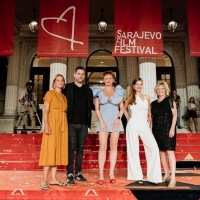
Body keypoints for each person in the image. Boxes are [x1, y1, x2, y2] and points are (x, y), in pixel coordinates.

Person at [124, 78, 162, 185]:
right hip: (133, 124)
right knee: (133, 149)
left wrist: (150, 117)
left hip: (144, 124)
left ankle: (154, 176)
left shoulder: (147, 97)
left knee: (154, 148)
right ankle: (136, 175)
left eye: (141, 84)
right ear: (133, 86)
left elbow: (149, 111)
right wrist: (128, 117)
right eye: (137, 84)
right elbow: (122, 107)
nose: (139, 86)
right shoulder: (130, 97)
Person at [63, 66, 94, 185]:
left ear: (84, 76)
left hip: (84, 124)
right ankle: (69, 173)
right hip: (71, 123)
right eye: (79, 73)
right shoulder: (68, 88)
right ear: (74, 74)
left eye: (82, 74)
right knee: (71, 148)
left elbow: (92, 105)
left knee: (80, 149)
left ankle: (78, 173)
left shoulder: (88, 91)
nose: (80, 76)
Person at [92, 71, 125, 185]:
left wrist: (118, 119)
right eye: (106, 78)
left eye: (110, 78)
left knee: (114, 147)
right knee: (102, 147)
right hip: (103, 122)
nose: (108, 80)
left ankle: (111, 173)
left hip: (115, 123)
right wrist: (101, 121)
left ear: (113, 80)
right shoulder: (98, 91)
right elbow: (97, 108)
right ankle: (101, 174)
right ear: (103, 80)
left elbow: (122, 108)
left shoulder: (119, 91)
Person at [39, 74, 68, 190]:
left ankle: (54, 179)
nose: (60, 82)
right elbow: (46, 111)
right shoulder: (49, 93)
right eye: (58, 80)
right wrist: (46, 125)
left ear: (63, 83)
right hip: (52, 123)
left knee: (57, 150)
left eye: (62, 80)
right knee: (50, 150)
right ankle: (43, 180)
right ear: (54, 83)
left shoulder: (64, 97)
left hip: (62, 125)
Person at [151, 81, 177, 188]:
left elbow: (174, 115)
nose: (160, 90)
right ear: (156, 90)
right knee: (161, 152)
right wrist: (150, 131)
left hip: (168, 129)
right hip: (156, 130)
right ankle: (166, 174)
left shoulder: (170, 100)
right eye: (158, 89)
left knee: (170, 152)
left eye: (162, 88)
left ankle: (173, 178)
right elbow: (152, 119)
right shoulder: (153, 104)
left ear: (165, 90)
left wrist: (172, 129)